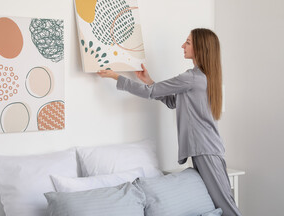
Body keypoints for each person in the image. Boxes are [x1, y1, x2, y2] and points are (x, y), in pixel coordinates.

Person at [97, 28, 241, 216]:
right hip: (207, 149)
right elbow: (173, 101)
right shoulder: (204, 78)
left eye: (188, 42)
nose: (183, 45)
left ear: (199, 48)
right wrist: (149, 81)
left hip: (205, 150)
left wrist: (117, 77)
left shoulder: (191, 78)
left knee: (226, 207)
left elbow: (150, 92)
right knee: (219, 204)